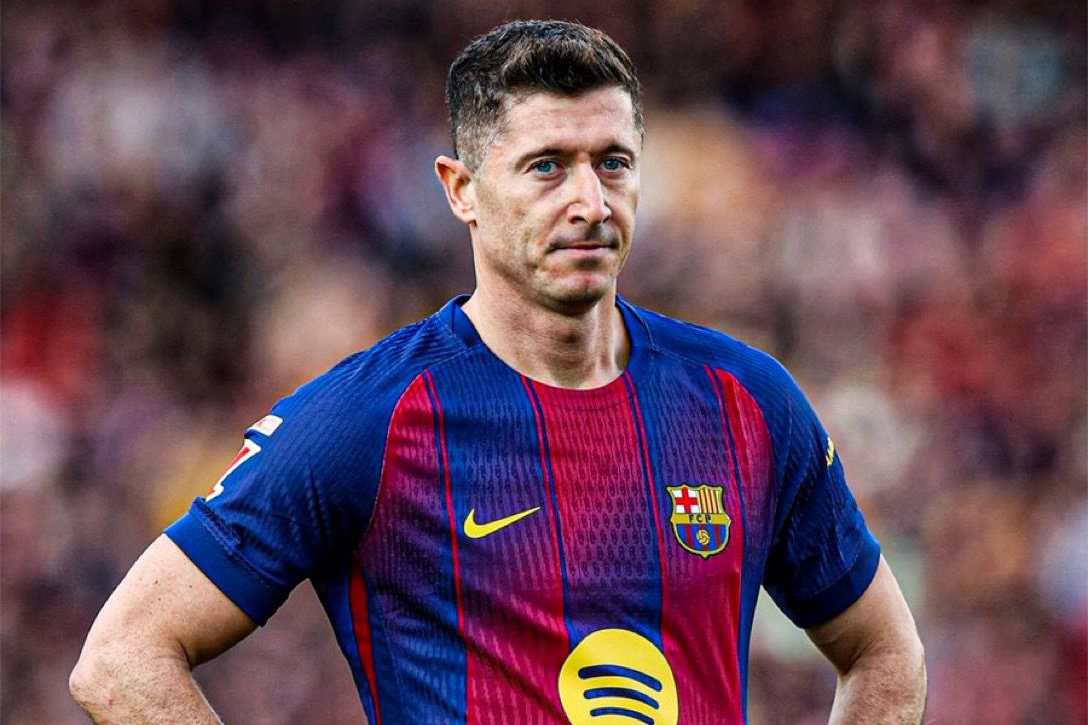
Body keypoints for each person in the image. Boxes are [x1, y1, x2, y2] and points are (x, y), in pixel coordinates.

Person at [70, 20, 925, 725]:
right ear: (462, 189)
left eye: (613, 162)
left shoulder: (747, 401)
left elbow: (885, 651)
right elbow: (122, 658)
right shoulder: (370, 418)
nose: (590, 203)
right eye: (547, 166)